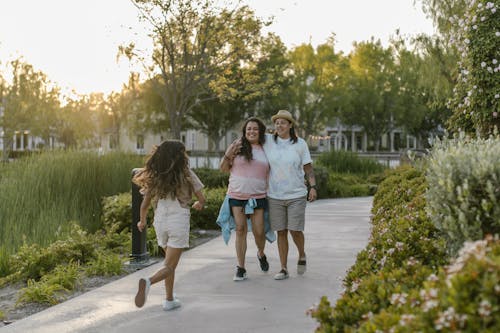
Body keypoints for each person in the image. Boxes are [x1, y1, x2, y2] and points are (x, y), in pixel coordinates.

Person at [133, 140, 205, 310]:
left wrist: (142, 221)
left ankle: (169, 299)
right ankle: (148, 281)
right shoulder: (186, 173)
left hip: (160, 221)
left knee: (168, 263)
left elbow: (144, 205)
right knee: (170, 266)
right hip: (177, 220)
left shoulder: (156, 176)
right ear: (180, 155)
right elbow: (201, 199)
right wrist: (198, 204)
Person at [263, 110, 317, 280]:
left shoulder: (300, 144)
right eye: (277, 123)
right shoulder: (269, 141)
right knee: (281, 232)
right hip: (275, 195)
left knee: (295, 230)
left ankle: (301, 254)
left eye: (283, 123)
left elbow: (308, 168)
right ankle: (284, 268)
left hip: (297, 194)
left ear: (290, 125)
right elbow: (250, 135)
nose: (279, 125)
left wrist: (313, 187)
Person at [219, 117, 271, 281]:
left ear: (260, 131)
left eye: (255, 129)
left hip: (258, 196)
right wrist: (228, 154)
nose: (251, 131)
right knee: (240, 230)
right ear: (244, 131)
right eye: (249, 129)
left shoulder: (266, 148)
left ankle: (261, 253)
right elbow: (223, 168)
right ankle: (241, 268)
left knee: (259, 231)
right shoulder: (236, 146)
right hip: (237, 195)